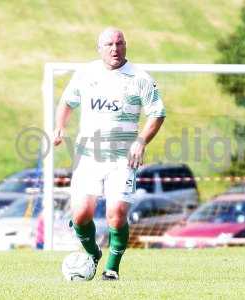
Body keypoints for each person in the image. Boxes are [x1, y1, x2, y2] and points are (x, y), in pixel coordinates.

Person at [54, 27, 165, 280]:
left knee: (116, 216)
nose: (115, 49)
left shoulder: (140, 78)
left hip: (123, 158)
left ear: (126, 46)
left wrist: (141, 141)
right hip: (88, 155)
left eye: (120, 43)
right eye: (109, 44)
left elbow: (157, 113)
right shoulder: (85, 74)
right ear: (99, 48)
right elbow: (67, 102)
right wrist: (60, 126)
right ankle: (93, 254)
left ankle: (112, 268)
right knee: (80, 215)